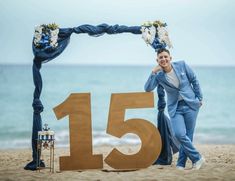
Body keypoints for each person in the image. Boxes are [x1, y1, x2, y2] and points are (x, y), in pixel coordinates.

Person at [144, 48, 205, 170]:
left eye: (165, 56)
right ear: (157, 60)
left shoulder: (181, 65)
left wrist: (199, 98)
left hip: (191, 104)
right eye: (160, 58)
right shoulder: (159, 76)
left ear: (170, 58)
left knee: (188, 135)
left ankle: (181, 164)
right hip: (175, 108)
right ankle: (197, 158)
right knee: (179, 134)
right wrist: (153, 72)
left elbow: (194, 80)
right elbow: (148, 88)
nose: (163, 59)